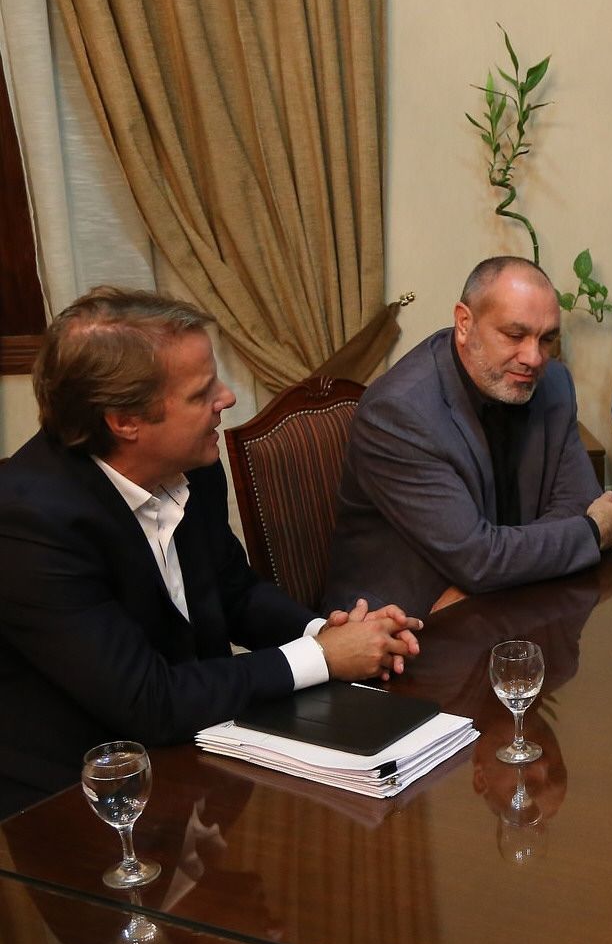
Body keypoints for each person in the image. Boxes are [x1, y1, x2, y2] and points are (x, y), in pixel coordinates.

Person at [0, 289, 421, 818]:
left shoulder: (192, 464)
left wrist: (327, 632)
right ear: (125, 420)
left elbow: (233, 591)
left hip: (195, 767)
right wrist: (322, 657)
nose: (227, 398)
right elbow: (148, 701)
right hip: (83, 804)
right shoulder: (29, 523)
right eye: (202, 393)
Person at [323, 256, 612, 620]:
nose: (534, 358)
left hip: (507, 605)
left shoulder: (553, 383)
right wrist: (592, 532)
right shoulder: (399, 412)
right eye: (514, 335)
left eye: (547, 338)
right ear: (465, 323)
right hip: (403, 628)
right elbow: (479, 559)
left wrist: (494, 574)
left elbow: (577, 503)